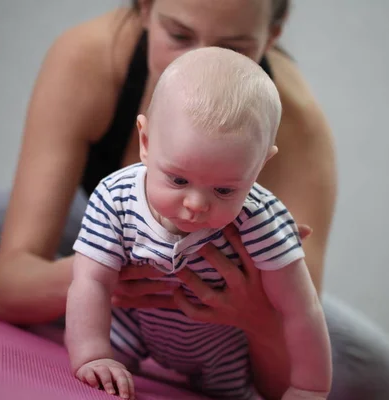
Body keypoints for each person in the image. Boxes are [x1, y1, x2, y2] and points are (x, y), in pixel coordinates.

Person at [0, 1, 389, 399]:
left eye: (234, 47)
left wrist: (252, 314)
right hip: (106, 232)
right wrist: (107, 279)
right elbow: (9, 289)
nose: (194, 60)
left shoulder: (300, 126)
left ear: (272, 35)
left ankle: (183, 336)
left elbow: (293, 324)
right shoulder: (90, 58)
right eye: (178, 34)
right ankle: (103, 319)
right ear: (143, 9)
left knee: (381, 379)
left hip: (229, 275)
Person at [66, 46, 332, 400]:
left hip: (219, 348)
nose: (195, 205)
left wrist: (310, 386)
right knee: (101, 375)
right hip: (133, 326)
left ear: (259, 166)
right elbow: (90, 282)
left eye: (224, 189)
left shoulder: (260, 220)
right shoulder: (116, 197)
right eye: (177, 180)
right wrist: (94, 354)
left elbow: (301, 308)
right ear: (146, 142)